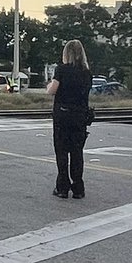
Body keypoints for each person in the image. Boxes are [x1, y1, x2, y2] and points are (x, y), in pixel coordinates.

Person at [46, 39, 93, 199]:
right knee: (77, 152)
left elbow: (52, 90)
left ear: (66, 53)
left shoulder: (62, 70)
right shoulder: (87, 72)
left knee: (62, 151)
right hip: (80, 116)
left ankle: (62, 187)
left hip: (63, 114)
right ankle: (78, 188)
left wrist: (49, 86)